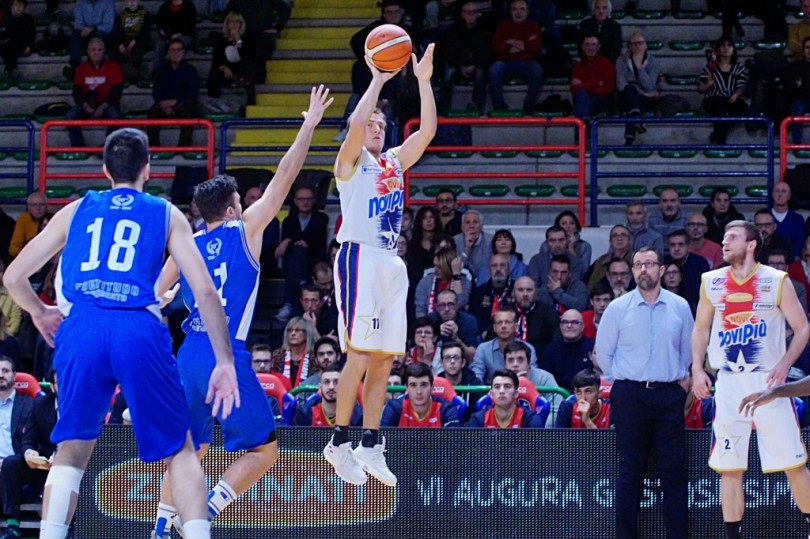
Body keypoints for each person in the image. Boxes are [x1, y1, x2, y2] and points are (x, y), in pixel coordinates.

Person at [2, 128, 239, 539]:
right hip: (136, 327)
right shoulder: (166, 213)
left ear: (104, 170)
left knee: (70, 452)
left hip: (83, 327)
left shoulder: (75, 210)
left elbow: (13, 276)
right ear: (148, 168)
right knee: (179, 449)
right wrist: (225, 361)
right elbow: (203, 290)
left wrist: (39, 312)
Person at [151, 86, 330, 536]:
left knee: (189, 449)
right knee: (264, 450)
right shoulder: (246, 229)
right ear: (234, 207)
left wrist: (168, 300)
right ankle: (204, 513)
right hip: (223, 352)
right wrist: (308, 125)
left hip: (186, 353)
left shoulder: (186, 244)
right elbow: (286, 175)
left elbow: (155, 295)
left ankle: (159, 528)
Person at [324, 41, 436, 488]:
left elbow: (426, 132)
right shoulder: (349, 163)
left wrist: (424, 82)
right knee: (358, 351)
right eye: (370, 123)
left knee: (385, 357)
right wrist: (376, 79)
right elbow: (354, 124)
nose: (375, 128)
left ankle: (369, 442)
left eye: (381, 124)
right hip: (360, 256)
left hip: (392, 261)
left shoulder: (393, 162)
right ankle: (339, 440)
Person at [694, 220, 810, 539]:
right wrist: (697, 369)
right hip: (729, 382)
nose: (725, 242)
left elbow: (802, 327)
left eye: (732, 237)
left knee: (793, 464)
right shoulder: (711, 281)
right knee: (729, 467)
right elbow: (700, 328)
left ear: (751, 244)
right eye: (724, 237)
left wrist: (785, 364)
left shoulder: (776, 280)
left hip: (768, 382)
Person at [595, 246, 694, 539]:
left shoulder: (679, 306)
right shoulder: (618, 308)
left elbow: (688, 349)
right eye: (638, 264)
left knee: (673, 474)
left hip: (668, 395)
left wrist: (678, 377)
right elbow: (604, 353)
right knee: (630, 473)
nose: (643, 269)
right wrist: (624, 379)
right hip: (630, 395)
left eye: (649, 264)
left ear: (661, 270)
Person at [0, 369, 56, 539]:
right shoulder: (40, 405)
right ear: (52, 386)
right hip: (44, 466)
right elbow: (28, 440)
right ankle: (13, 526)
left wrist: (62, 454)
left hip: (74, 464)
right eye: (60, 382)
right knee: (11, 463)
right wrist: (29, 452)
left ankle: (73, 526)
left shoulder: (82, 405)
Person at [274, 185, 329, 322]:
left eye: (309, 199)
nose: (305, 202)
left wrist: (290, 240)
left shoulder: (322, 218)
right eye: (301, 199)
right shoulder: (288, 221)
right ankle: (301, 284)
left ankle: (289, 302)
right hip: (294, 261)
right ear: (295, 201)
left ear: (314, 200)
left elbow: (315, 238)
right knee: (297, 253)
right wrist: (293, 241)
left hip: (315, 259)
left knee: (298, 253)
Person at [64, 38, 123, 148]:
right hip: (86, 104)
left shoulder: (114, 67)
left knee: (115, 116)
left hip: (107, 104)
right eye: (93, 50)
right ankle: (79, 147)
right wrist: (85, 105)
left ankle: (108, 147)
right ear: (88, 51)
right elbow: (77, 92)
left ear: (104, 51)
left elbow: (117, 91)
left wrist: (103, 106)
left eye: (99, 50)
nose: (96, 53)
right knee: (69, 116)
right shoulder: (81, 68)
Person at [488, 0, 543, 115]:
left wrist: (510, 42)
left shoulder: (533, 26)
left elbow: (535, 48)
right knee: (493, 70)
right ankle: (500, 108)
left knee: (537, 70)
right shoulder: (502, 26)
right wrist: (524, 45)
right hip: (505, 62)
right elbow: (497, 48)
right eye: (515, 9)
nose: (518, 12)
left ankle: (528, 108)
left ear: (527, 12)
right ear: (510, 12)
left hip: (527, 62)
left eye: (522, 9)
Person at [437, 1, 491, 116]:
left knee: (480, 73)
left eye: (473, 12)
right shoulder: (453, 31)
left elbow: (487, 53)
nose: (470, 15)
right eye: (467, 12)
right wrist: (461, 66)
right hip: (458, 65)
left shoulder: (485, 31)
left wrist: (474, 65)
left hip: (477, 65)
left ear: (478, 14)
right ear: (462, 14)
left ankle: (477, 108)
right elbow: (448, 53)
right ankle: (441, 111)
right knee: (448, 73)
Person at [146, 38, 201, 150]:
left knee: (189, 111)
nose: (176, 53)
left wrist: (176, 102)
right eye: (173, 50)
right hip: (164, 105)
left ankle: (183, 147)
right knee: (152, 113)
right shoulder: (161, 71)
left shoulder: (191, 70)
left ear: (183, 52)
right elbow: (156, 92)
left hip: (183, 104)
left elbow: (193, 93)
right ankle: (154, 147)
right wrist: (163, 104)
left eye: (179, 50)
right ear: (168, 52)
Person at [698, 36, 749, 145]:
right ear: (718, 49)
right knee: (718, 108)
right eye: (723, 45)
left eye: (729, 45)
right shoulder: (709, 68)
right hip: (714, 97)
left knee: (742, 108)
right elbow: (700, 88)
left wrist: (737, 94)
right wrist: (708, 84)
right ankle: (721, 141)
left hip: (731, 96)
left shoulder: (739, 68)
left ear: (733, 49)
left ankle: (717, 135)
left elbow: (742, 86)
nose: (726, 48)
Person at [471, 306, 538, 384]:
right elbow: (477, 377)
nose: (503, 326)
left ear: (516, 326)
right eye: (499, 323)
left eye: (508, 322)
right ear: (494, 328)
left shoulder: (528, 348)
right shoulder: (483, 349)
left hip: (522, 389)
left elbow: (533, 377)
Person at [381, 362, 460, 427]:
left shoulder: (446, 409)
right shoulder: (394, 408)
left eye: (424, 385)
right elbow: (383, 438)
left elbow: (453, 440)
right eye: (413, 385)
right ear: (407, 388)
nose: (419, 391)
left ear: (432, 387)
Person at [615, 31, 659, 146]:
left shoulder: (653, 62)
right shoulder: (620, 61)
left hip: (644, 101)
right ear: (629, 46)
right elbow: (621, 85)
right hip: (626, 97)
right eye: (634, 44)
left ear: (645, 45)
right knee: (630, 90)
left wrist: (639, 67)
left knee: (634, 107)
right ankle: (636, 121)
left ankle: (630, 135)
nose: (637, 46)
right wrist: (642, 93)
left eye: (640, 43)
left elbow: (650, 86)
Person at [207, 11, 258, 106]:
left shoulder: (247, 39)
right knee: (214, 73)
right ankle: (213, 101)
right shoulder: (221, 41)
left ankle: (249, 103)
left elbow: (247, 56)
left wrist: (237, 38)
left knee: (249, 68)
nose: (234, 24)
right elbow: (216, 59)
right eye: (231, 21)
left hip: (241, 69)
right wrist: (224, 68)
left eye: (237, 21)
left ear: (241, 24)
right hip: (226, 69)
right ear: (227, 24)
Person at [465, 369, 545, 428]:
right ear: (491, 394)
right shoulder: (478, 419)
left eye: (507, 386)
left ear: (516, 394)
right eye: (497, 387)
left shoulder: (529, 419)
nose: (502, 391)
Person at [540, 309, 594, 393]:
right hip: (558, 396)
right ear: (560, 326)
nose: (569, 325)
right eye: (565, 322)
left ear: (582, 326)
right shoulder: (550, 350)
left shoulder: (592, 348)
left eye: (574, 322)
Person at [294, 365, 363, 427]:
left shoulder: (356, 414)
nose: (331, 387)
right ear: (320, 387)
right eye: (326, 382)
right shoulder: (305, 413)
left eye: (336, 382)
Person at [510, 275, 561, 355]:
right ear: (513, 293)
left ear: (536, 292)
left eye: (529, 290)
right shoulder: (506, 312)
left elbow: (556, 343)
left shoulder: (548, 312)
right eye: (520, 290)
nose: (525, 294)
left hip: (540, 359)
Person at [571, 33, 615, 123]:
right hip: (583, 99)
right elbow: (574, 89)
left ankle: (582, 125)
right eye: (587, 45)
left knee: (582, 99)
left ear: (599, 47)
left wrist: (583, 85)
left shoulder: (607, 63)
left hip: (601, 101)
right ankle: (584, 122)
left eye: (593, 44)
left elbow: (607, 89)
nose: (590, 48)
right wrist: (597, 84)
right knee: (581, 94)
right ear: (583, 47)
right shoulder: (578, 66)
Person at [415, 246, 470, 318]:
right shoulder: (425, 282)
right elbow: (420, 310)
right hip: (430, 322)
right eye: (434, 266)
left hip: (456, 322)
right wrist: (425, 323)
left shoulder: (463, 281)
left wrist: (456, 275)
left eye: (440, 267)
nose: (435, 270)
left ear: (449, 267)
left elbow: (460, 303)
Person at [64, 0, 115, 78]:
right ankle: (75, 66)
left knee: (98, 35)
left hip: (102, 34)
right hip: (85, 32)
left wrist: (93, 28)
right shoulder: (80, 3)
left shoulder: (108, 2)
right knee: (76, 35)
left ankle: (94, 67)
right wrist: (84, 29)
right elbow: (78, 24)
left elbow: (108, 25)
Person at [427, 289, 479, 361]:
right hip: (434, 361)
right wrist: (436, 333)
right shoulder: (429, 320)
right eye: (442, 305)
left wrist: (456, 339)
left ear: (457, 306)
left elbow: (472, 358)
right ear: (437, 307)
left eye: (451, 304)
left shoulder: (469, 321)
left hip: (461, 363)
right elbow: (419, 350)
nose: (447, 309)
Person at [469, 253, 515, 334]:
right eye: (494, 266)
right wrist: (483, 332)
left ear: (508, 269)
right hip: (484, 336)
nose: (498, 269)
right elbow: (474, 318)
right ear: (489, 270)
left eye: (502, 265)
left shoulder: (516, 289)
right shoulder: (478, 292)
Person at [270, 317, 319, 389]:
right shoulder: (278, 355)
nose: (293, 333)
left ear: (307, 334)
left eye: (298, 330)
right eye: (290, 330)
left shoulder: (314, 357)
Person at [109, 0, 151, 82]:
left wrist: (135, 41)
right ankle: (129, 75)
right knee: (112, 53)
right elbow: (118, 31)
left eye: (134, 0)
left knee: (136, 53)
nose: (132, 2)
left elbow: (145, 31)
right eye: (129, 0)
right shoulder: (122, 15)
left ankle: (131, 76)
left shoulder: (145, 13)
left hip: (140, 40)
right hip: (125, 40)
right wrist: (120, 44)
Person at [666, 228, 709, 309]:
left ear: (688, 246)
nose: (676, 248)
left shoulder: (700, 263)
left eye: (681, 244)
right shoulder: (663, 263)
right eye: (673, 245)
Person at [587, 224, 632, 291]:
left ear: (629, 240)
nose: (619, 239)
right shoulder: (601, 261)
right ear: (610, 241)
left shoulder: (636, 260)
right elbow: (591, 286)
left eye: (623, 235)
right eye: (615, 235)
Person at [0, 0, 35, 81]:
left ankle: (9, 69)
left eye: (21, 5)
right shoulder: (11, 20)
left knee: (12, 49)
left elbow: (32, 34)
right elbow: (7, 33)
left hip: (23, 44)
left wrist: (29, 46)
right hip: (13, 43)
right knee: (4, 48)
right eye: (16, 5)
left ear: (24, 7)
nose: (18, 7)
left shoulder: (28, 18)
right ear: (12, 7)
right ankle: (11, 69)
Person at [770, 181, 805, 259]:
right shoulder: (764, 217)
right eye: (777, 191)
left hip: (791, 261)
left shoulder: (797, 219)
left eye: (784, 191)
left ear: (789, 196)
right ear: (772, 194)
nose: (780, 194)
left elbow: (800, 245)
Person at [8, 192, 48, 259]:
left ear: (46, 207)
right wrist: (25, 258)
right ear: (28, 207)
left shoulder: (53, 218)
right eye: (34, 205)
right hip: (27, 256)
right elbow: (13, 247)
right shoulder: (23, 219)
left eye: (42, 204)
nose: (38, 208)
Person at [453, 210, 491, 277]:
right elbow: (456, 270)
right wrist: (467, 249)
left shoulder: (491, 240)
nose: (471, 226)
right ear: (462, 227)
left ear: (481, 226)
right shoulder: (454, 241)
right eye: (467, 222)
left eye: (475, 222)